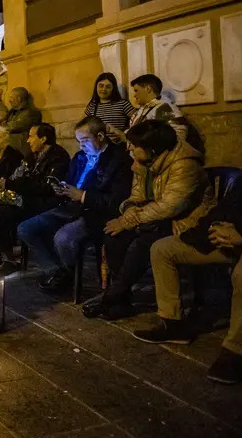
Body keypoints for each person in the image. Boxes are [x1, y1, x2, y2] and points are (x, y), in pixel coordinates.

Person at [133, 166, 242, 385]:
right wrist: (214, 227)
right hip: (229, 236)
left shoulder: (185, 164)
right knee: (163, 249)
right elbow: (228, 206)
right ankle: (173, 323)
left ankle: (236, 349)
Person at [89, 119, 209, 319]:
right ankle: (122, 302)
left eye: (135, 146)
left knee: (142, 244)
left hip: (182, 223)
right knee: (114, 238)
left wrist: (128, 221)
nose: (130, 150)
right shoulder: (143, 162)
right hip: (150, 220)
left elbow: (170, 207)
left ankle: (111, 297)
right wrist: (128, 213)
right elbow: (135, 197)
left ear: (151, 148)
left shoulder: (185, 164)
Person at [16, 116, 132, 295]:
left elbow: (116, 200)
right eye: (79, 141)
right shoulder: (79, 157)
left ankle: (65, 274)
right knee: (26, 228)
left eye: (85, 141)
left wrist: (84, 196)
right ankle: (59, 271)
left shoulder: (118, 160)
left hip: (95, 212)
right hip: (69, 207)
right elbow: (71, 181)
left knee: (63, 238)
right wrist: (61, 188)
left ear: (100, 136)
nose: (81, 146)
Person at [0, 123, 69, 269]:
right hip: (25, 198)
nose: (27, 141)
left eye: (31, 137)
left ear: (43, 139)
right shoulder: (32, 156)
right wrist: (5, 184)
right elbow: (17, 176)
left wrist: (9, 185)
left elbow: (46, 187)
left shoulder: (58, 158)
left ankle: (8, 259)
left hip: (41, 203)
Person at [84, 72, 136, 141]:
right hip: (98, 146)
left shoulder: (123, 104)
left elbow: (137, 121)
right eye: (101, 86)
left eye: (108, 87)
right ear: (96, 87)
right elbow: (84, 126)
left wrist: (124, 134)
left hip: (118, 146)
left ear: (113, 89)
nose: (103, 89)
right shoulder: (92, 106)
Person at [5, 87, 42, 157]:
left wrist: (3, 126)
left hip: (22, 152)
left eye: (11, 97)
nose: (9, 100)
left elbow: (12, 127)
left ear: (19, 99)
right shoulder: (13, 112)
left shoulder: (31, 113)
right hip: (12, 151)